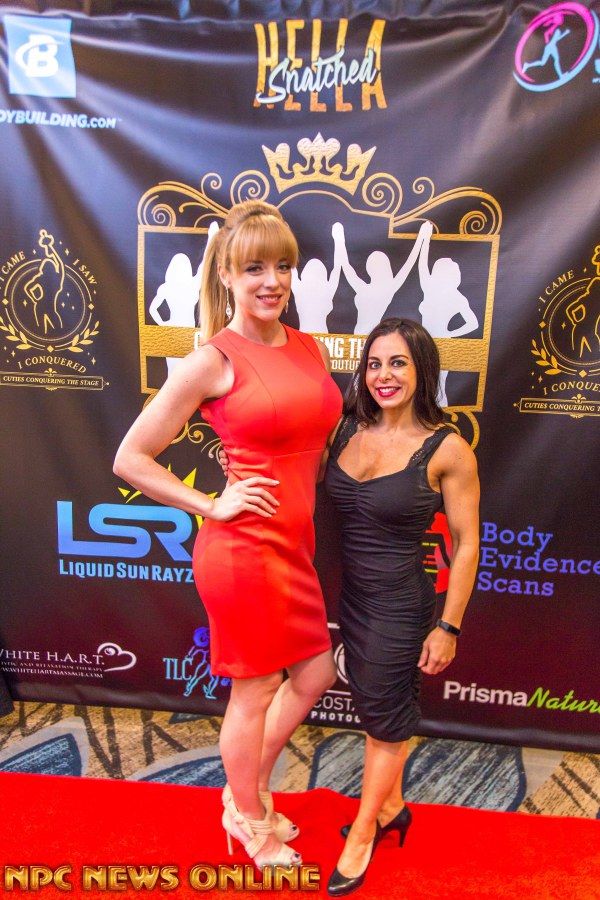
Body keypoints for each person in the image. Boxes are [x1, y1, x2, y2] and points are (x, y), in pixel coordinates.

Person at [113, 200, 342, 869]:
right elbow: (131, 458)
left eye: (283, 266)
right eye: (254, 268)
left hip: (295, 545)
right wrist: (210, 504)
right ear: (226, 276)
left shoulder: (308, 346)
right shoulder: (211, 360)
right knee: (256, 690)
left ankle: (244, 793)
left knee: (315, 673)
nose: (272, 281)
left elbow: (313, 442)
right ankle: (249, 818)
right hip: (243, 552)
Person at [323, 317, 480, 895]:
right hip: (353, 600)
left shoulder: (447, 448)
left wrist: (448, 626)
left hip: (401, 606)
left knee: (386, 724)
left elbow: (466, 543)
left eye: (398, 363)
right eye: (373, 364)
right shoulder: (344, 430)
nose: (383, 376)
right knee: (374, 709)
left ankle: (364, 832)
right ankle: (393, 808)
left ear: (422, 370)